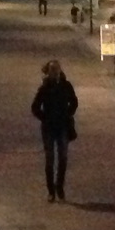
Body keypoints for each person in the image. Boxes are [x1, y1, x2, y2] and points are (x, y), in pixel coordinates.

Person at [30, 58, 78, 202]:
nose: (55, 72)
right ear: (48, 72)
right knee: (50, 160)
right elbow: (35, 107)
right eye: (52, 70)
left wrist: (68, 113)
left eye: (57, 69)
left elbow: (74, 102)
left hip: (63, 126)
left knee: (63, 158)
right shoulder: (44, 88)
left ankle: (60, 186)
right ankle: (51, 190)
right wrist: (45, 118)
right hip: (49, 128)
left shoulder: (66, 85)